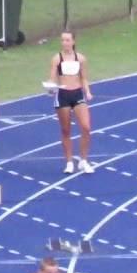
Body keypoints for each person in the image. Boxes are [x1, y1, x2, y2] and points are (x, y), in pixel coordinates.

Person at [48, 31, 94, 175]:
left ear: (73, 41)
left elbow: (84, 77)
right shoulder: (57, 59)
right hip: (63, 95)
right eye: (63, 40)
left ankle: (83, 161)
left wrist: (87, 92)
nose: (65, 43)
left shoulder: (80, 58)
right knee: (66, 130)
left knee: (86, 127)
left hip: (77, 94)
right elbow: (51, 78)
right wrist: (50, 88)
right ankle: (69, 162)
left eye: (68, 40)